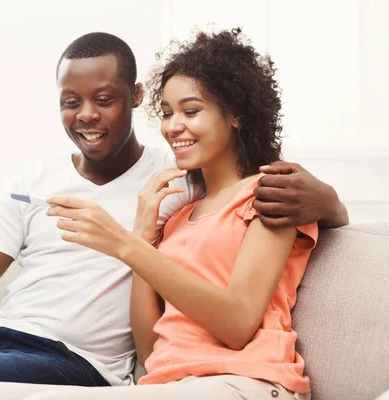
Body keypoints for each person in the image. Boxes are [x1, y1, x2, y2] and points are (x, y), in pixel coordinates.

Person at [0, 32, 347, 400]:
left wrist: (329, 202)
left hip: (79, 363)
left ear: (131, 97)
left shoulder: (189, 180)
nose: (86, 115)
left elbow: (269, 207)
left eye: (105, 98)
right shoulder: (160, 200)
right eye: (70, 100)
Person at [27, 28, 330, 399]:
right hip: (169, 386)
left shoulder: (270, 195)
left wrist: (126, 246)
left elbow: (237, 324)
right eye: (167, 113)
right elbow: (148, 350)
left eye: (191, 111)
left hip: (246, 380)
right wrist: (142, 235)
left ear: (234, 114)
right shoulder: (177, 216)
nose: (172, 126)